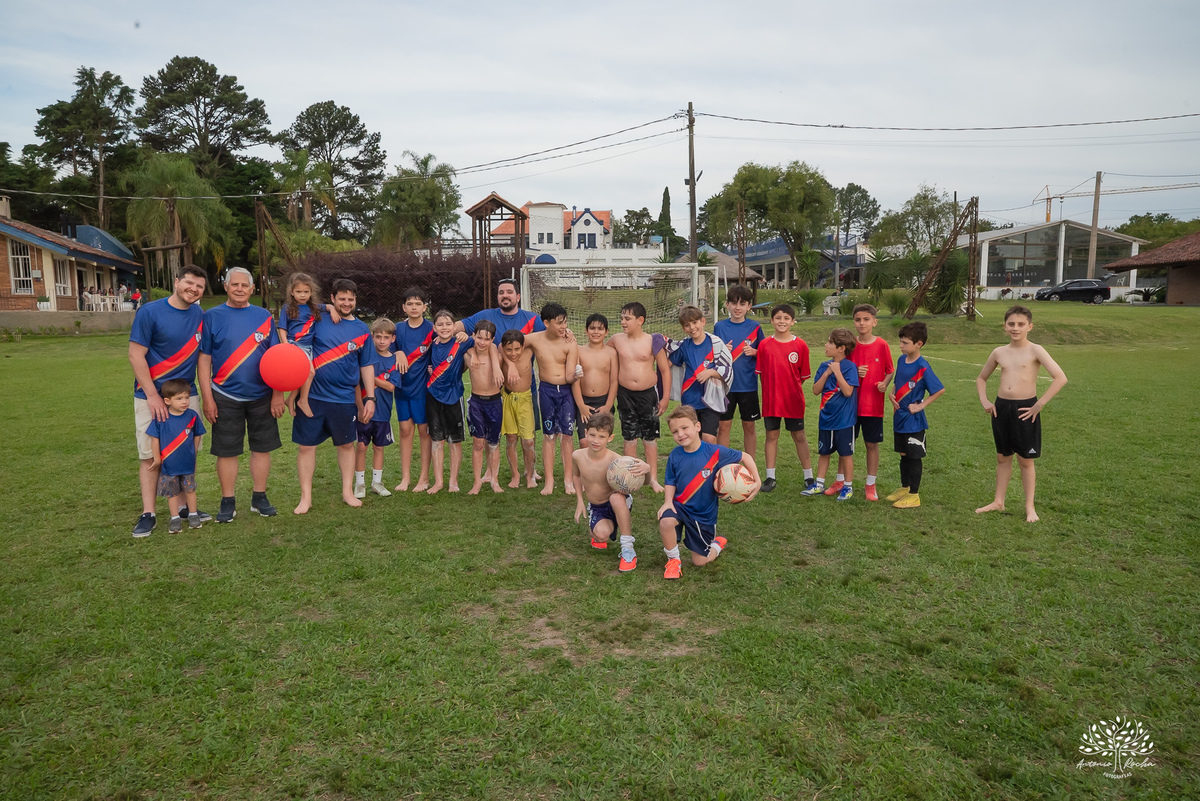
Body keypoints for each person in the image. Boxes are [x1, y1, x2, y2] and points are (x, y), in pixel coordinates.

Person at [197, 268, 285, 523]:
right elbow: (204, 360)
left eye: (244, 285)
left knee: (262, 448)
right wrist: (208, 397)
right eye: (234, 284)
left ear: (252, 288)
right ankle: (228, 501)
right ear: (226, 287)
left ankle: (260, 498)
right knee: (227, 451)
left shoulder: (264, 316)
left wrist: (278, 395)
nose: (239, 289)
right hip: (224, 395)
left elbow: (277, 359)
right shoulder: (212, 316)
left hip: (262, 396)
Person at [127, 265, 208, 537]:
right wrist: (153, 396)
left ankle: (184, 507)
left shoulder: (199, 315)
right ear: (176, 282)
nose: (193, 289)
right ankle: (148, 513)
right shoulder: (149, 311)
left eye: (199, 286)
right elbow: (136, 355)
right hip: (151, 397)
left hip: (186, 397)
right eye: (188, 283)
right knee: (151, 455)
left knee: (187, 451)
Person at [975, 306, 1068, 522]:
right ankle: (998, 501)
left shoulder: (1036, 350)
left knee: (1026, 460)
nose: (1015, 328)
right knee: (1002, 457)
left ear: (1030, 327)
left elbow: (1060, 377)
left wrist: (1040, 404)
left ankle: (1030, 507)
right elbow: (981, 378)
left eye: (1020, 324)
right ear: (1005, 326)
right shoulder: (999, 352)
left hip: (1026, 409)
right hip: (1001, 408)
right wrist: (985, 401)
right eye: (1011, 324)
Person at [292, 279, 376, 513]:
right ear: (333, 298)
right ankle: (305, 497)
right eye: (342, 298)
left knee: (346, 446)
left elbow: (366, 365)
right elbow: (297, 308)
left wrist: (370, 398)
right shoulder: (317, 321)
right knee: (306, 447)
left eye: (351, 299)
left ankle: (347, 492)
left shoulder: (362, 330)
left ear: (355, 301)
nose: (346, 303)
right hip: (313, 399)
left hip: (344, 400)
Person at [456, 278, 547, 481]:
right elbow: (459, 326)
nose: (504, 295)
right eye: (500, 292)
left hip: (526, 387)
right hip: (498, 389)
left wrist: (566, 333)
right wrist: (443, 332)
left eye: (508, 292)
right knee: (502, 434)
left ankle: (530, 470)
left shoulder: (531, 319)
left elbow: (548, 337)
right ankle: (491, 471)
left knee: (528, 434)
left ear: (518, 296)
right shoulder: (486, 315)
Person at [656, 405, 761, 580]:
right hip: (679, 507)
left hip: (703, 515)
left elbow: (746, 457)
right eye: (675, 432)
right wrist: (668, 502)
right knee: (666, 522)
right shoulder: (675, 455)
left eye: (684, 428)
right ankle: (674, 561)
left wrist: (757, 481)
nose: (680, 434)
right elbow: (670, 480)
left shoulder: (715, 452)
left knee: (700, 562)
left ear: (697, 427)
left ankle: (717, 545)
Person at [516, 303, 581, 496]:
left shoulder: (570, 342)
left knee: (568, 437)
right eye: (559, 323)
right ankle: (550, 480)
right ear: (546, 323)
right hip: (546, 391)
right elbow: (510, 341)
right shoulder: (534, 339)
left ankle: (568, 480)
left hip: (566, 392)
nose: (563, 326)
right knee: (549, 436)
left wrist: (576, 375)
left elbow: (570, 375)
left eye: (565, 322)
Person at [572, 412, 650, 572]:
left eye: (601, 436)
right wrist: (580, 501)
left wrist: (647, 470)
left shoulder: (617, 461)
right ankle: (607, 526)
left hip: (617, 500)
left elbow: (645, 482)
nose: (595, 440)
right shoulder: (577, 456)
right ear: (585, 433)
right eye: (592, 435)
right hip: (597, 506)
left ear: (610, 438)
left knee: (616, 498)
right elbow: (576, 475)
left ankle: (628, 549)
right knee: (601, 535)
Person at [605, 302, 671, 491]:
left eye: (627, 318)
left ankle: (652, 479)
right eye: (622, 318)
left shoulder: (653, 341)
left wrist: (665, 398)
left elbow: (665, 371)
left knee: (649, 437)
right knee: (630, 435)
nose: (623, 322)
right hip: (625, 394)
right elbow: (600, 352)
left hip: (648, 395)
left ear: (640, 320)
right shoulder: (617, 340)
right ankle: (629, 477)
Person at [755, 304, 814, 492]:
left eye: (786, 318)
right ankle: (770, 477)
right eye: (778, 318)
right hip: (772, 401)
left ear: (793, 321)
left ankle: (809, 476)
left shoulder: (800, 345)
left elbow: (803, 376)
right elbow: (761, 373)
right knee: (771, 436)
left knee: (799, 436)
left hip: (793, 400)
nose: (782, 321)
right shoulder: (764, 344)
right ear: (771, 320)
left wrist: (789, 390)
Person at [888, 322, 946, 509]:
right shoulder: (901, 360)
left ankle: (914, 495)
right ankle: (905, 488)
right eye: (901, 342)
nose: (901, 346)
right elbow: (898, 382)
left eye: (905, 343)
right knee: (903, 454)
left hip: (913, 421)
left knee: (914, 457)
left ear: (918, 344)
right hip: (900, 417)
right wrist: (892, 393)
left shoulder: (922, 366)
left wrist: (921, 406)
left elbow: (939, 390)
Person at [142, 379, 207, 535]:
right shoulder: (161, 418)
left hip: (187, 464)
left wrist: (194, 450)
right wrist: (157, 459)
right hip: (169, 466)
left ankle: (192, 515)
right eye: (179, 398)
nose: (184, 402)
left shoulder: (192, 416)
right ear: (167, 401)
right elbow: (154, 439)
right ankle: (174, 518)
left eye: (186, 398)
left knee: (190, 490)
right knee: (172, 493)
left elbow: (198, 434)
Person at [802, 328, 859, 500]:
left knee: (845, 454)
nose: (825, 345)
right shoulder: (823, 366)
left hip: (844, 421)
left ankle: (847, 487)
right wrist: (827, 372)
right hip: (825, 420)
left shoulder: (850, 367)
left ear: (841, 348)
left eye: (829, 342)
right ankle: (819, 484)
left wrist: (837, 372)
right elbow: (815, 390)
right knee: (823, 452)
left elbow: (848, 391)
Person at [665, 304, 733, 444]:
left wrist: (710, 372)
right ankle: (695, 465)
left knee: (708, 438)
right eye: (687, 325)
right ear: (684, 328)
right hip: (690, 399)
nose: (692, 327)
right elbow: (669, 363)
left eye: (695, 322)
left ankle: (710, 466)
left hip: (711, 401)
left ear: (702, 322)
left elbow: (727, 369)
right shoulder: (684, 345)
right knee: (692, 437)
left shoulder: (716, 343)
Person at [277, 272, 341, 418]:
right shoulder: (287, 308)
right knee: (310, 373)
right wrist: (286, 344)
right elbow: (282, 328)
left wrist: (332, 310)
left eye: (306, 292)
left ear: (311, 292)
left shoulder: (314, 307)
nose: (302, 295)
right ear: (292, 292)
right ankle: (303, 401)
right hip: (295, 345)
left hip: (309, 348)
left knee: (303, 375)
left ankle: (291, 398)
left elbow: (328, 306)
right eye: (299, 292)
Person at [850, 304, 894, 501]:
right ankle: (843, 481)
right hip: (849, 406)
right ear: (854, 322)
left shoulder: (882, 345)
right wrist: (854, 372)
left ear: (874, 322)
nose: (862, 323)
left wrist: (884, 383)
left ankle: (870, 484)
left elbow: (890, 370)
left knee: (871, 444)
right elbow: (842, 368)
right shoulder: (850, 344)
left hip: (873, 407)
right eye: (858, 320)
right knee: (847, 445)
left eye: (866, 319)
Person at [714, 284, 764, 459]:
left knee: (749, 426)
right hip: (725, 386)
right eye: (734, 303)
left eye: (742, 304)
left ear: (749, 306)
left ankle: (749, 464)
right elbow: (712, 356)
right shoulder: (719, 327)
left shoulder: (756, 327)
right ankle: (722, 463)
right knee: (724, 426)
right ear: (727, 304)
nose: (738, 307)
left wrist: (755, 352)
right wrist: (722, 351)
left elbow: (765, 354)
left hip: (748, 385)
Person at [425, 309, 472, 494]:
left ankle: (453, 481)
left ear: (454, 326)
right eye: (440, 324)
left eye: (448, 324)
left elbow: (486, 341)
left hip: (454, 396)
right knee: (437, 440)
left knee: (455, 441)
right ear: (434, 328)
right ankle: (438, 482)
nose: (444, 328)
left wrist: (464, 334)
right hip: (433, 396)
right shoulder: (431, 345)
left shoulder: (462, 342)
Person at [392, 287, 435, 492]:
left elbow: (443, 349)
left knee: (423, 431)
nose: (414, 307)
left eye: (418, 303)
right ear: (403, 307)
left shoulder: (433, 328)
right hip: (401, 389)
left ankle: (424, 478)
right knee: (405, 430)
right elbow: (386, 351)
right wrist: (398, 352)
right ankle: (405, 477)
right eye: (410, 304)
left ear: (425, 307)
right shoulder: (398, 329)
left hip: (423, 390)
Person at [354, 318, 400, 499]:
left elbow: (391, 387)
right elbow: (357, 384)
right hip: (363, 411)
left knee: (379, 447)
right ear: (372, 337)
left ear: (392, 339)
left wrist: (370, 378)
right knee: (361, 447)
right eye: (378, 336)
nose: (382, 341)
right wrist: (359, 407)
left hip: (383, 412)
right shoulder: (365, 357)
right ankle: (359, 484)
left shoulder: (395, 360)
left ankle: (377, 483)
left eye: (386, 337)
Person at [464, 320, 506, 495]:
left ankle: (494, 480)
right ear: (474, 336)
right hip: (476, 403)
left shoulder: (497, 356)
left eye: (486, 339)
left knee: (494, 443)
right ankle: (477, 482)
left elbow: (497, 348)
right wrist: (472, 351)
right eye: (479, 337)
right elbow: (464, 344)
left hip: (495, 402)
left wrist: (497, 367)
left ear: (492, 340)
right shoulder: (468, 356)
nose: (482, 342)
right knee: (478, 443)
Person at [499, 329, 538, 489]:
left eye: (516, 349)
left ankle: (530, 474)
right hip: (508, 398)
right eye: (509, 350)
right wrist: (509, 364)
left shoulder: (529, 352)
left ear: (522, 346)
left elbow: (543, 337)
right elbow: (498, 348)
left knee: (528, 441)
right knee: (511, 439)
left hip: (525, 400)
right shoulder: (501, 355)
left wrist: (566, 332)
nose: (513, 353)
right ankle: (515, 474)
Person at [571, 313, 618, 443]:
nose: (596, 332)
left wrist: (608, 406)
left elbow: (614, 382)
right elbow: (575, 381)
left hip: (603, 402)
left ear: (606, 332)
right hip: (584, 402)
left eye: (600, 328)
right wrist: (581, 405)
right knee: (584, 442)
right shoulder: (578, 351)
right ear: (586, 331)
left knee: (600, 441)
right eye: (592, 328)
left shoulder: (611, 353)